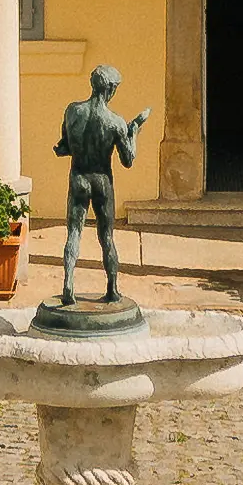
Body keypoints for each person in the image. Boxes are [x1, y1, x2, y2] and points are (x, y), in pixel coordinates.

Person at [46, 62, 145, 318]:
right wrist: (134, 131)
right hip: (102, 179)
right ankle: (112, 289)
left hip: (78, 175)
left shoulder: (72, 111)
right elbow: (128, 160)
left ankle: (68, 283)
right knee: (107, 236)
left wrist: (66, 149)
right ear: (110, 88)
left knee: (74, 232)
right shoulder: (115, 122)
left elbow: (65, 146)